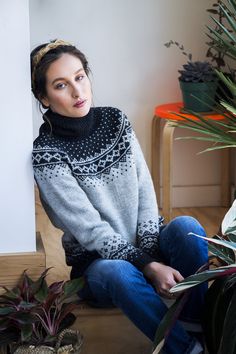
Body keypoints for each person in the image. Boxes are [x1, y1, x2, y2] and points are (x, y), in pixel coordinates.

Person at [31, 39, 208, 354]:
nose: (77, 91)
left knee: (187, 227)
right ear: (44, 97)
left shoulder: (115, 120)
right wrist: (148, 266)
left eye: (80, 76)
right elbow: (90, 229)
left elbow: (144, 189)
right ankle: (184, 349)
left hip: (146, 247)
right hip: (99, 268)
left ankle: (198, 327)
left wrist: (151, 253)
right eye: (61, 85)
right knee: (118, 270)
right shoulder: (48, 153)